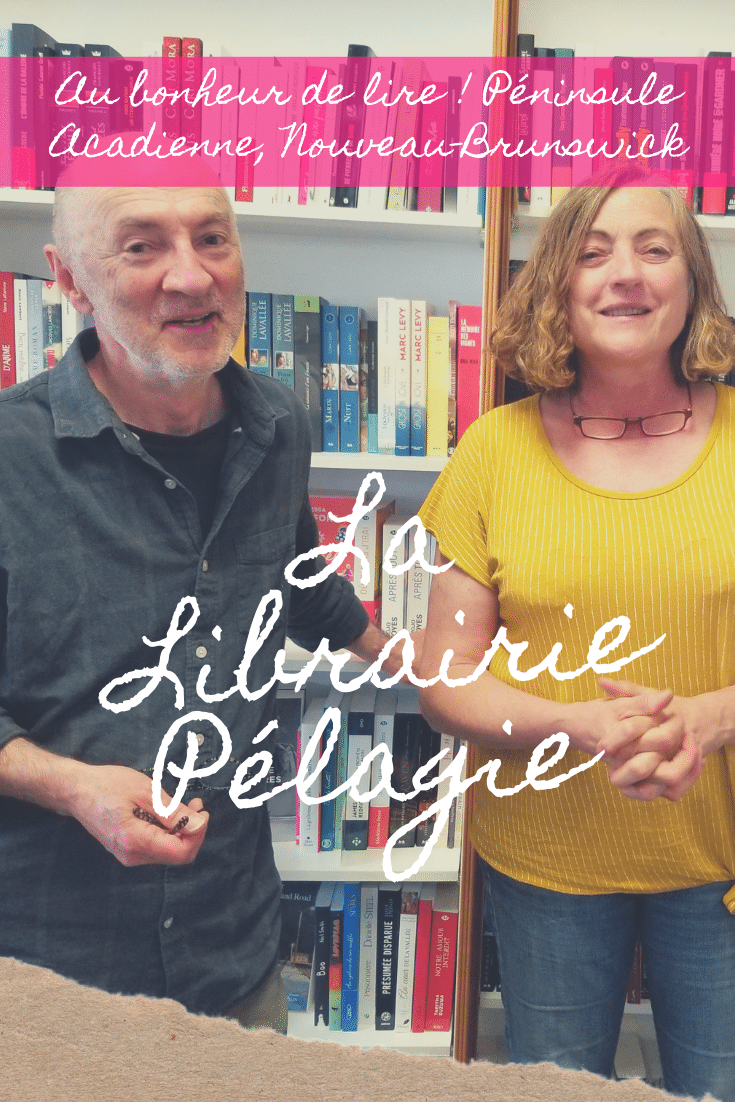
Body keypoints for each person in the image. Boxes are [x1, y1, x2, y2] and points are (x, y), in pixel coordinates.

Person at [0, 166, 398, 1030]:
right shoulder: (10, 455)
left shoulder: (277, 423)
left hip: (233, 956)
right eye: (142, 246)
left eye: (211, 238)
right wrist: (71, 787)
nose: (191, 275)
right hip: (48, 969)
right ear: (68, 279)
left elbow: (295, 579)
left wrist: (418, 664)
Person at [417, 180, 735, 1102]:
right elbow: (444, 680)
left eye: (653, 248)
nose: (623, 274)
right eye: (592, 253)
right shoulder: (492, 450)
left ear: (693, 280)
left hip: (721, 862)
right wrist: (581, 727)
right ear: (556, 283)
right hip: (547, 862)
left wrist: (710, 720)